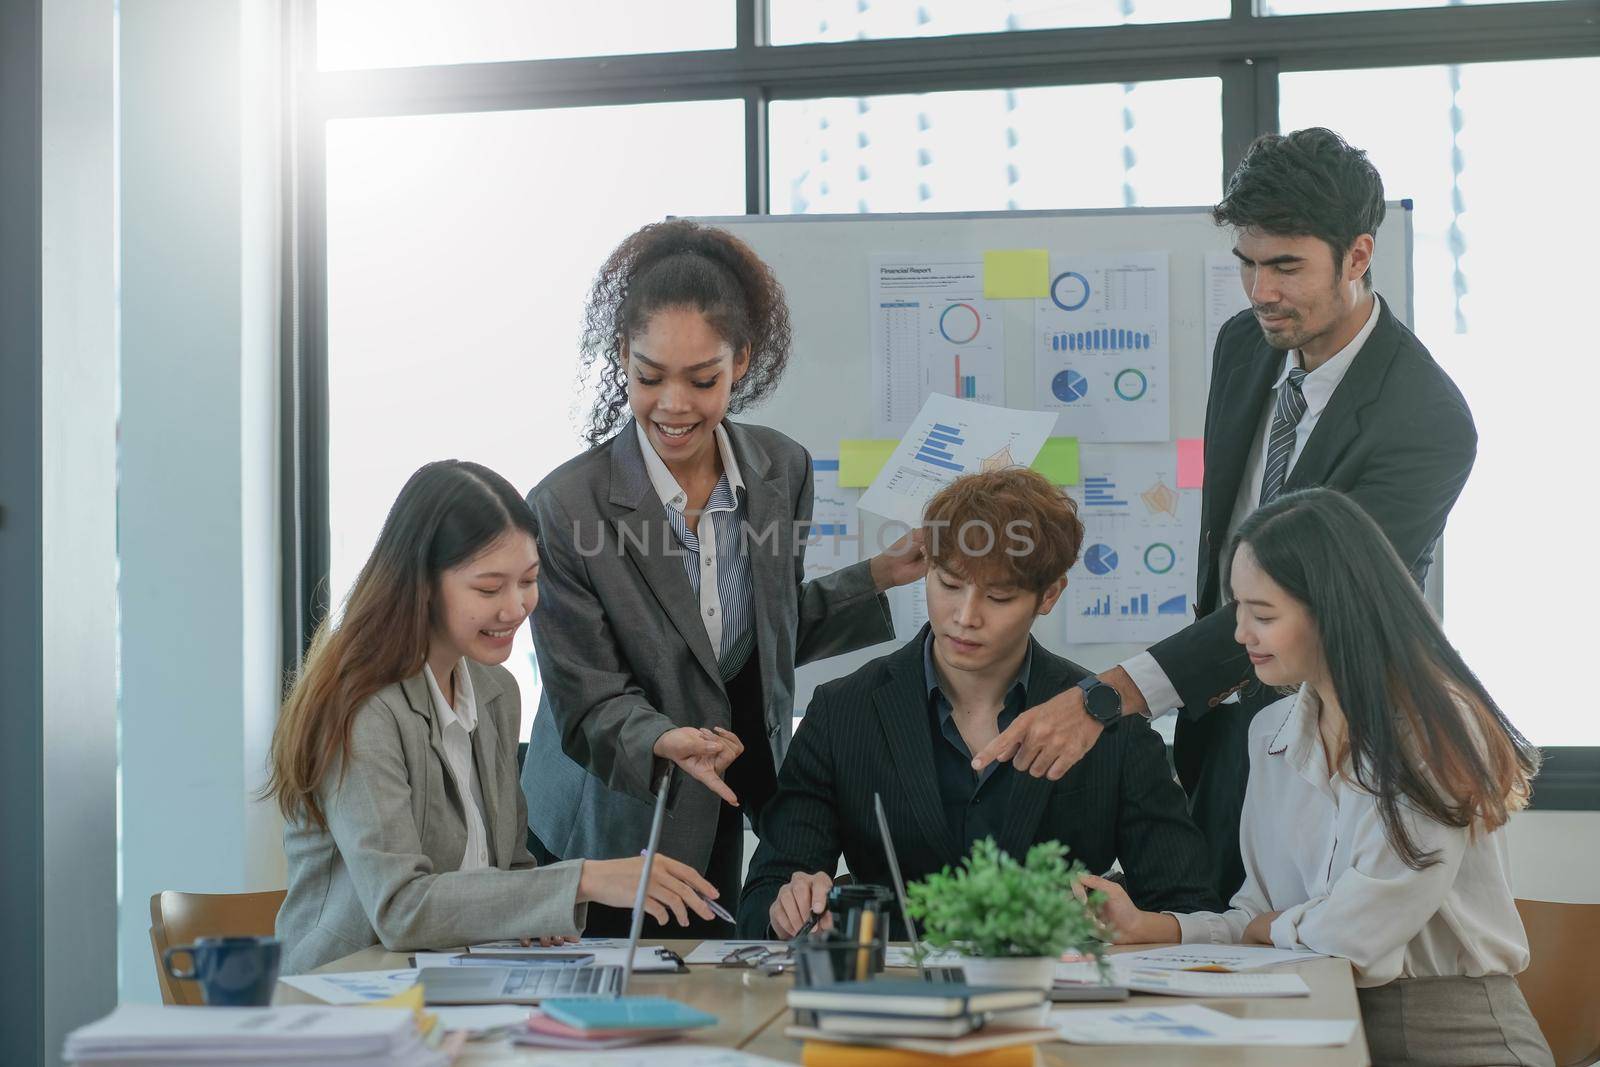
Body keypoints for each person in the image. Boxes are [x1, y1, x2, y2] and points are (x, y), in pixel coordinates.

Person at [977, 128, 1478, 901]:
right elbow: (1229, 556)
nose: (1259, 292)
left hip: (1339, 738)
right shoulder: (1244, 345)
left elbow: (1303, 596)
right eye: (1247, 264)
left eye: (1286, 266)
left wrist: (1107, 695)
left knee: (1295, 951)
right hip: (1220, 715)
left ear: (1357, 256)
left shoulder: (1427, 419)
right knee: (1201, 930)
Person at [519, 220, 928, 936]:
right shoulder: (564, 506)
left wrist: (880, 575)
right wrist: (661, 739)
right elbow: (587, 695)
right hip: (611, 817)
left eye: (702, 379)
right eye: (649, 376)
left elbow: (754, 638)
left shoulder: (781, 470)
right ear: (621, 356)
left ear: (740, 361)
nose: (673, 405)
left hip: (728, 799)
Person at [1084, 488, 1550, 1067]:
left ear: (1332, 610)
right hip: (1311, 1016)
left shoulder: (1435, 727)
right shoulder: (1272, 733)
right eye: (1239, 611)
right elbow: (1257, 916)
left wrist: (1274, 927)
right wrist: (1155, 927)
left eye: (1263, 615)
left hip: (1452, 1036)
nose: (1240, 635)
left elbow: (1356, 938)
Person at [270, 461, 721, 974]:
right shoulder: (361, 708)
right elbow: (400, 909)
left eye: (528, 581)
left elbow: (509, 869)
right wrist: (584, 879)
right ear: (421, 584)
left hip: (458, 983)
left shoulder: (495, 691)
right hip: (345, 992)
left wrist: (548, 915)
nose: (516, 608)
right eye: (488, 589)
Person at [737, 469, 1220, 939]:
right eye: (948, 585)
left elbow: (1185, 904)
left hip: (1057, 999)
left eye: (999, 597)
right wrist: (791, 906)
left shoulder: (1108, 722)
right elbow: (764, 894)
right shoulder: (843, 710)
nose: (965, 617)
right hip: (896, 999)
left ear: (1049, 594)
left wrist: (1125, 919)